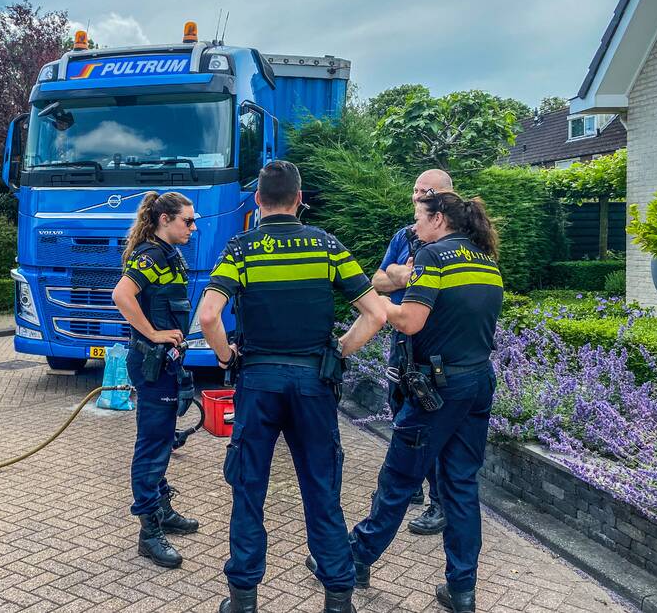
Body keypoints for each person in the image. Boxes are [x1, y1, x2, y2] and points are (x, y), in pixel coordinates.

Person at [198, 161, 387, 613]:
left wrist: (227, 357)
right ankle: (338, 598)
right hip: (312, 383)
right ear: (300, 199)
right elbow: (376, 314)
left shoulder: (242, 249)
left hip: (258, 382)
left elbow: (208, 316)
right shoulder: (325, 246)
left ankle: (243, 601)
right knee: (322, 491)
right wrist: (339, 350)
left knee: (249, 491)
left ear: (258, 201)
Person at [349, 191, 503, 613]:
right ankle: (462, 590)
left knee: (399, 477)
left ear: (438, 219)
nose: (414, 227)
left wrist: (375, 302)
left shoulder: (435, 256)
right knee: (461, 487)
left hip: (436, 390)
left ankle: (355, 559)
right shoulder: (485, 259)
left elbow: (412, 320)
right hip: (477, 383)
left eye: (419, 217)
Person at [111, 191, 200, 569]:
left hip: (166, 362)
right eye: (187, 221)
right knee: (151, 445)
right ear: (165, 219)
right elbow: (121, 294)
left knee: (162, 440)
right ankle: (149, 533)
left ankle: (162, 509)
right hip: (152, 362)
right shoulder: (150, 257)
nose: (193, 228)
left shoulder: (169, 254)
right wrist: (153, 333)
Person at [372, 168, 453, 536]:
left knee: (431, 417)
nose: (418, 196)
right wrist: (401, 275)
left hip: (434, 340)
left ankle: (438, 501)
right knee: (400, 405)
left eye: (427, 191)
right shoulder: (405, 236)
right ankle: (412, 484)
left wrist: (401, 279)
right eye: (416, 190)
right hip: (400, 341)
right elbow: (377, 280)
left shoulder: (455, 243)